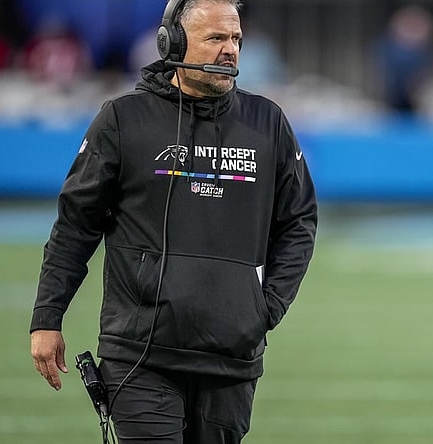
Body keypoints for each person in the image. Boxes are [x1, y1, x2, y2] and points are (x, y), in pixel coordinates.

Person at [29, 0, 318, 442]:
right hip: (140, 355)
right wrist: (47, 316)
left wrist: (266, 307)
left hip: (231, 359)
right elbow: (75, 225)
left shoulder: (268, 122)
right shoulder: (123, 118)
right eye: (216, 38)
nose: (230, 50)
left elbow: (299, 221)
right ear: (172, 43)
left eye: (236, 39)